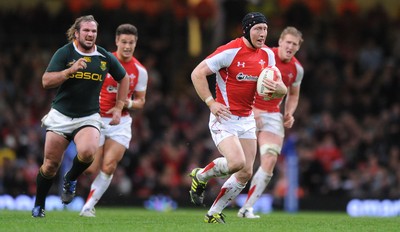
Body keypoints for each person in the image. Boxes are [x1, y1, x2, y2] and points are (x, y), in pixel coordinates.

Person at [189, 12, 287, 224]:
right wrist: (211, 102)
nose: (262, 34)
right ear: (246, 30)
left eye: (265, 29)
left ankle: (213, 213)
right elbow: (197, 73)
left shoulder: (268, 56)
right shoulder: (229, 51)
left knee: (245, 173)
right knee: (236, 163)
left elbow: (277, 89)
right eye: (257, 29)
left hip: (246, 119)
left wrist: (280, 89)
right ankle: (201, 176)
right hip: (223, 117)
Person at [31, 15, 130, 218]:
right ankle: (39, 205)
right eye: (86, 30)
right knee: (50, 166)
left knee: (87, 153)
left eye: (93, 31)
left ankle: (70, 178)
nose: (90, 34)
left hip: (88, 116)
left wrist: (119, 106)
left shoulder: (103, 57)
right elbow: (46, 81)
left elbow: (124, 78)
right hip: (61, 115)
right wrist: (70, 71)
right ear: (76, 33)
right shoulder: (65, 52)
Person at [80, 23, 148, 217]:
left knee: (109, 165)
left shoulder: (140, 71)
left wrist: (127, 103)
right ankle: (73, 178)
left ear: (136, 44)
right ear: (117, 41)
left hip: (121, 123)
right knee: (90, 168)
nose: (127, 46)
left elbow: (141, 102)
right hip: (95, 118)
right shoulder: (101, 61)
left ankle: (88, 206)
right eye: (124, 42)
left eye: (131, 43)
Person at [237, 26, 304, 218]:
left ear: (298, 47)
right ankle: (215, 193)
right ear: (280, 42)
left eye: (294, 44)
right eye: (288, 42)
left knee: (270, 158)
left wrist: (289, 112)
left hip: (273, 114)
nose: (290, 46)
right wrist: (250, 108)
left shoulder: (297, 69)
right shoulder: (264, 55)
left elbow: (293, 94)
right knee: (240, 163)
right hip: (248, 111)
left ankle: (247, 207)